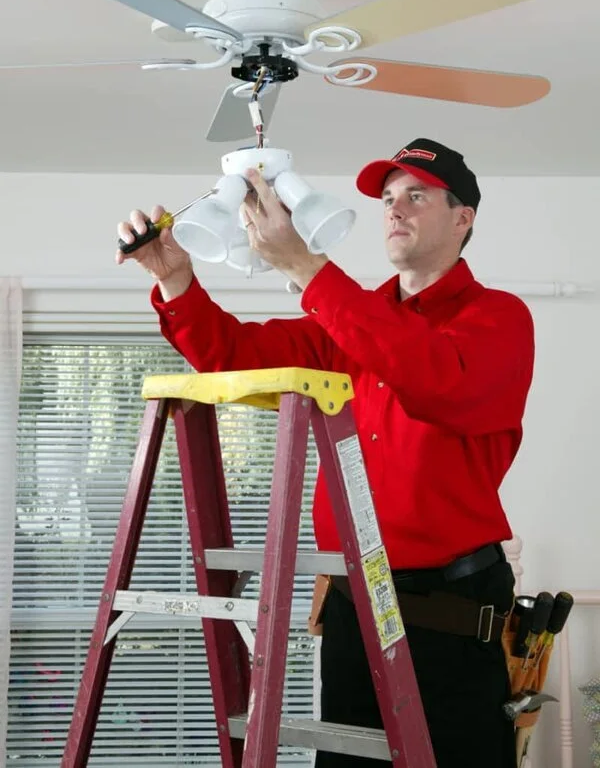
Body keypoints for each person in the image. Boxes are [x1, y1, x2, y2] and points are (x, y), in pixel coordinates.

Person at [116, 138, 534, 768]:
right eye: (389, 199)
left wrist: (309, 269)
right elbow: (233, 354)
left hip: (450, 617)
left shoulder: (498, 319)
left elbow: (432, 377)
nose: (395, 210)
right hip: (352, 606)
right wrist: (176, 279)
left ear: (463, 217)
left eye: (416, 196)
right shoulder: (347, 326)